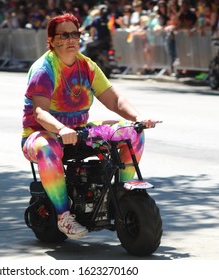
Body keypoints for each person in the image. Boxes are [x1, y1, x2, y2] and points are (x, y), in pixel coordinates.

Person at [21, 13, 160, 239]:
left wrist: (139, 118)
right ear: (52, 40)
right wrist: (61, 129)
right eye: (64, 35)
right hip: (42, 135)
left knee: (132, 133)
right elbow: (40, 112)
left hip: (79, 133)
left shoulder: (87, 66)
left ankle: (123, 196)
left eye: (75, 34)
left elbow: (114, 100)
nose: (71, 40)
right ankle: (63, 216)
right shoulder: (44, 69)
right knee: (48, 148)